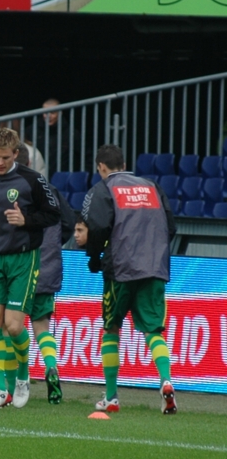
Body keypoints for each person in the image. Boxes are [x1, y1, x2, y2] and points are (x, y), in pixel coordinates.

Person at [0, 128, 61, 410]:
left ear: (16, 154)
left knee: (14, 325)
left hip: (23, 259)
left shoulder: (32, 180)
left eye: (5, 157)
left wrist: (26, 220)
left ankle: (22, 374)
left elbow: (53, 214)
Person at [82, 144, 178, 415]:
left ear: (101, 167)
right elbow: (171, 226)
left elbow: (98, 227)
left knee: (111, 329)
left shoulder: (103, 189)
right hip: (154, 267)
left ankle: (111, 397)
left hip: (120, 270)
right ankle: (166, 381)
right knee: (153, 331)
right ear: (123, 164)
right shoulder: (152, 186)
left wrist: (94, 257)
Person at [14, 143, 75, 404]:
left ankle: (20, 376)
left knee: (13, 327)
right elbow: (70, 223)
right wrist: (52, 244)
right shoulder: (51, 191)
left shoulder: (11, 192)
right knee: (42, 328)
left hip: (18, 268)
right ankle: (51, 366)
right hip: (47, 267)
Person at [25, 98, 85, 176]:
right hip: (38, 176)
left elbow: (85, 156)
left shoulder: (71, 133)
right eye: (45, 113)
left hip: (64, 179)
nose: (48, 116)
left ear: (60, 113)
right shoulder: (32, 130)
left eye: (52, 112)